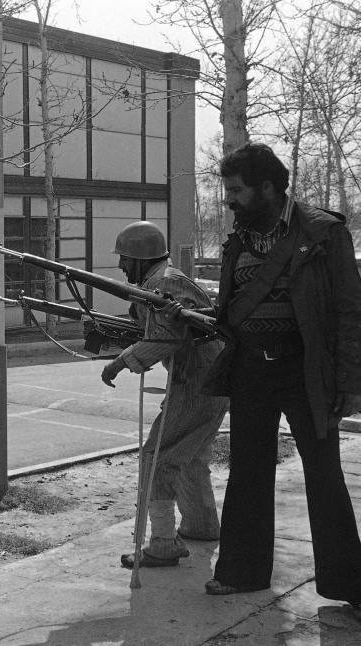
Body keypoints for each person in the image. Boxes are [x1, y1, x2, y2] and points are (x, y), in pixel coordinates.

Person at [196, 142, 361, 604]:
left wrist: (350, 383)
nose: (228, 200)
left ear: (267, 187)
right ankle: (242, 572)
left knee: (324, 477)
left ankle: (349, 584)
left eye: (236, 190)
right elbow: (231, 307)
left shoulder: (324, 233)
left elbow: (350, 311)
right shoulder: (239, 237)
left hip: (307, 371)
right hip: (251, 368)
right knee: (247, 473)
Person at [100, 221, 228, 568]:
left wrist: (121, 362)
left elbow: (165, 337)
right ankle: (201, 526)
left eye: (125, 259)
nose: (122, 267)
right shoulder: (164, 279)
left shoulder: (163, 282)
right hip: (210, 382)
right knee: (189, 458)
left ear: (141, 259)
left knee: (155, 459)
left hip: (196, 384)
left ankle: (162, 543)